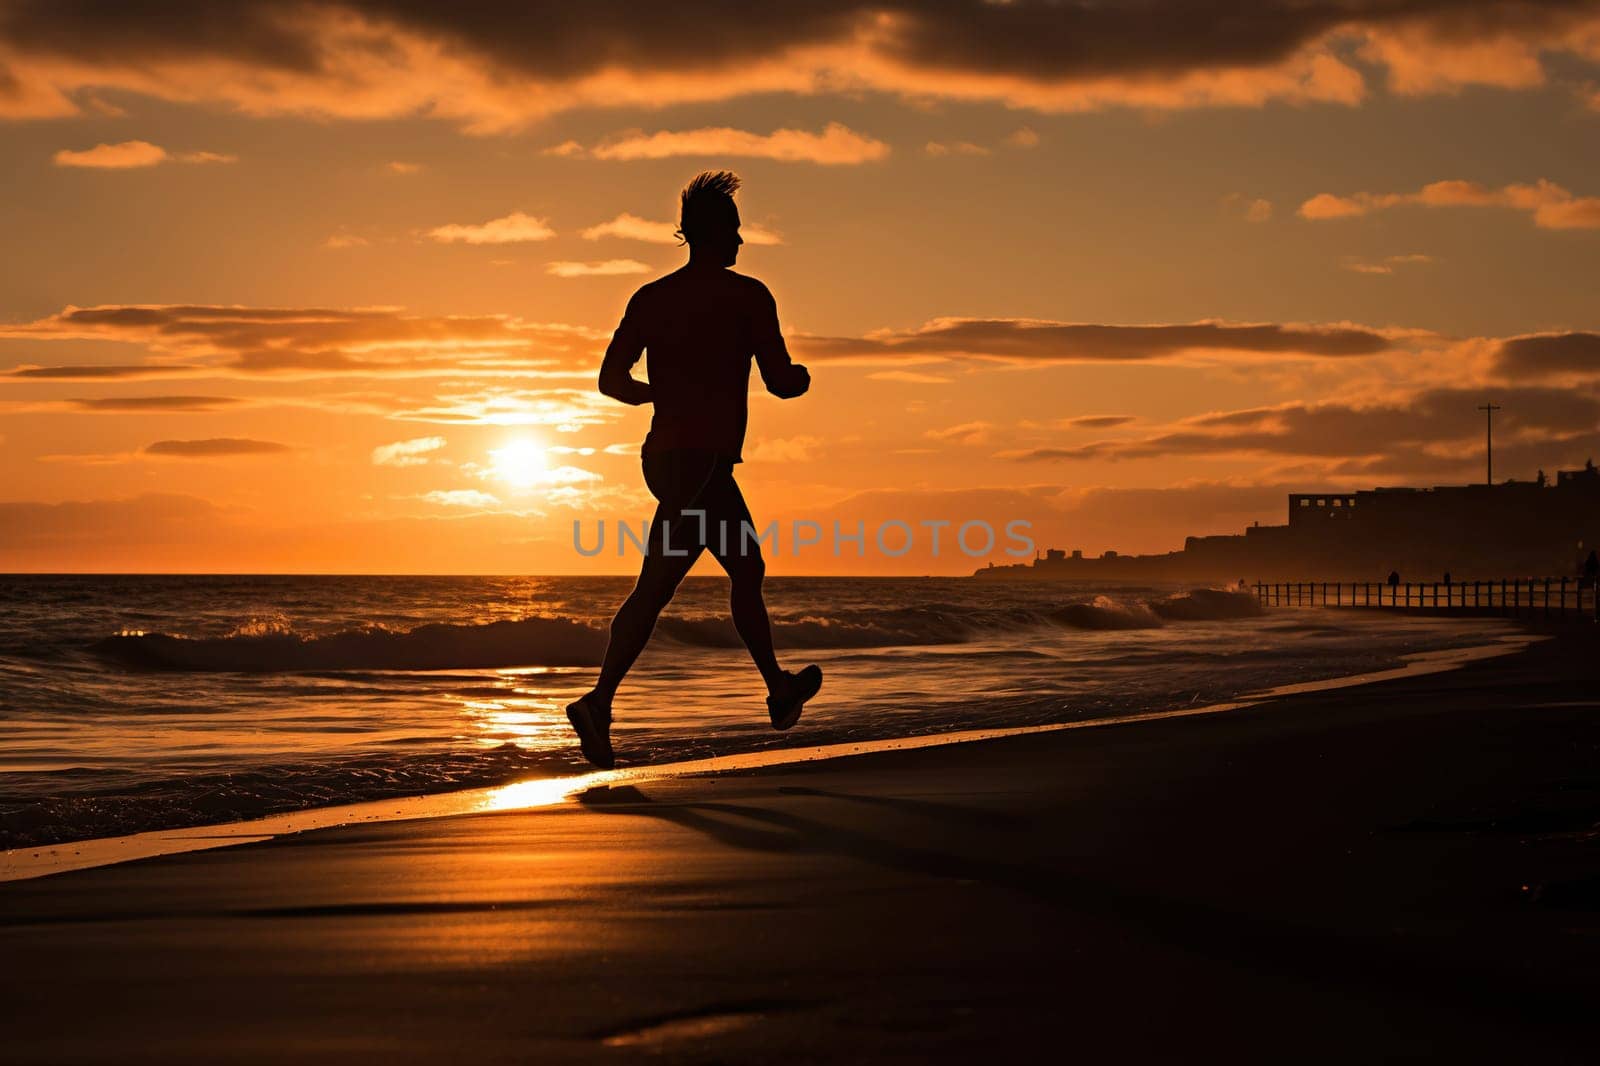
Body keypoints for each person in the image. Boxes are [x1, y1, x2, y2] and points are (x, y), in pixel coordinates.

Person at [565, 171, 823, 769]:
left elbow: (611, 382)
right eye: (734, 229)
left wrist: (661, 395)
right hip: (703, 463)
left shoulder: (651, 299)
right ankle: (600, 703)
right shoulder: (748, 296)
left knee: (698, 577)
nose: (741, 240)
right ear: (712, 234)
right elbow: (781, 381)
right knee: (685, 580)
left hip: (666, 461)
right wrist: (801, 379)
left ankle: (773, 689)